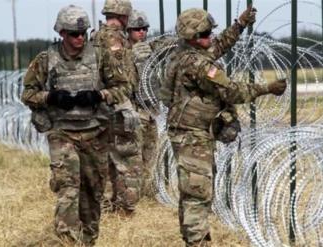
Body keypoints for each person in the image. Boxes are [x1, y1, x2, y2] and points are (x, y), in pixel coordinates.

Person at [162, 7, 287, 247]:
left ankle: (195, 239)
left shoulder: (183, 53)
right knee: (197, 195)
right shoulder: (199, 65)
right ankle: (197, 242)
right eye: (205, 33)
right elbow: (231, 90)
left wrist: (239, 25)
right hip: (193, 137)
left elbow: (217, 46)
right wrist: (266, 88)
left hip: (187, 133)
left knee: (193, 192)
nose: (210, 36)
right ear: (192, 36)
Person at [21, 5, 112, 246]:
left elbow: (123, 89)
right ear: (62, 33)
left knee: (93, 194)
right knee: (68, 190)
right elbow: (28, 94)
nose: (80, 38)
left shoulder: (100, 56)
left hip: (96, 133)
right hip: (62, 134)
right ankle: (67, 242)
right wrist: (50, 97)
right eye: (74, 33)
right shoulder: (46, 60)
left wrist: (100, 96)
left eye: (83, 32)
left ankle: (88, 240)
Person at [93, 0, 142, 215]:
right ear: (123, 15)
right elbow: (116, 75)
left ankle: (109, 205)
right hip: (116, 106)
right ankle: (124, 209)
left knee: (109, 159)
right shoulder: (113, 38)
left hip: (103, 106)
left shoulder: (96, 35)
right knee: (128, 160)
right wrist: (124, 104)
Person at [126, 9, 158, 196]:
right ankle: (133, 193)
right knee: (134, 156)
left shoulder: (150, 51)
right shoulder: (122, 54)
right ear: (128, 31)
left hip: (152, 110)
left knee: (151, 153)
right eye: (137, 29)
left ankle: (148, 191)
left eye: (144, 29)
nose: (142, 33)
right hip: (134, 110)